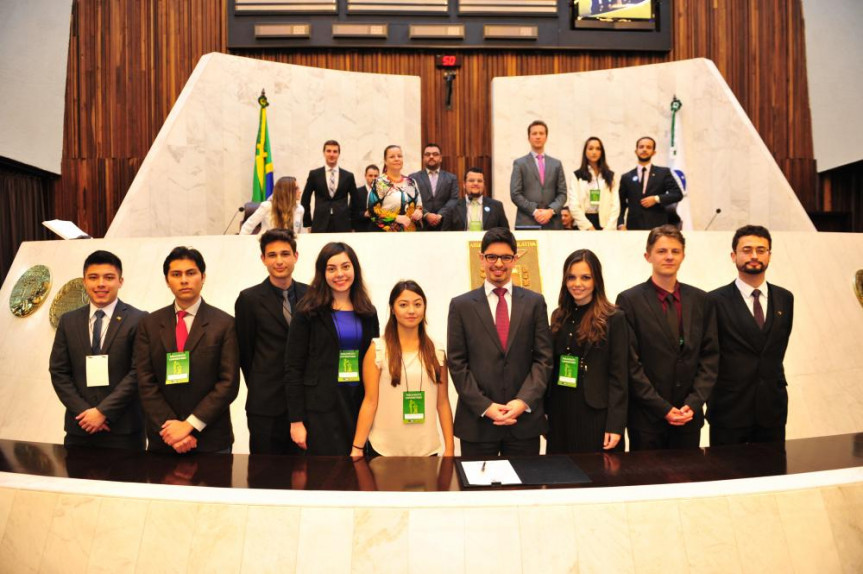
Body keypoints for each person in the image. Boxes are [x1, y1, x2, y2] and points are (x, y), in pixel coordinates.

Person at [447, 227, 553, 456]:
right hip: (478, 424)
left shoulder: (535, 303)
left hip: (524, 424)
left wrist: (522, 402)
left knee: (524, 491)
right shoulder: (461, 306)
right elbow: (457, 364)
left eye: (506, 257)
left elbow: (543, 360)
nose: (498, 264)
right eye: (492, 256)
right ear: (481, 258)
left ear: (515, 259)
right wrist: (486, 407)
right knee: (479, 490)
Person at [615, 225, 718, 450]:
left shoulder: (701, 300)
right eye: (662, 251)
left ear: (683, 256)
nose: (669, 256)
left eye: (675, 251)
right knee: (647, 482)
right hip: (647, 419)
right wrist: (662, 408)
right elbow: (630, 364)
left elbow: (710, 358)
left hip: (689, 417)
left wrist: (693, 402)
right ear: (648, 256)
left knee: (689, 483)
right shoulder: (629, 300)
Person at [135, 247, 240, 453]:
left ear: (203, 277)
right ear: (167, 280)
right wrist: (171, 429)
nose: (184, 280)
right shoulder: (149, 324)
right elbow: (145, 381)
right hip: (163, 437)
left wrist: (190, 425)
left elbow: (228, 383)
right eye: (176, 274)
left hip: (211, 438)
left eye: (190, 273)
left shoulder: (224, 324)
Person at [285, 242, 380, 455]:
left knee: (356, 474)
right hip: (320, 409)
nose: (340, 274)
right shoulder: (308, 311)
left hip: (357, 403)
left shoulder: (368, 312)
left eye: (345, 267)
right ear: (322, 273)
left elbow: (375, 362)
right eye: (331, 268)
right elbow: (293, 368)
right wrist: (296, 421)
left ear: (354, 268)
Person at [49, 250, 147, 450]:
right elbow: (59, 371)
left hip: (124, 430)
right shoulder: (68, 321)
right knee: (77, 481)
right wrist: (85, 412)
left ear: (120, 281)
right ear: (84, 281)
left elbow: (138, 372)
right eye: (93, 277)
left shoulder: (139, 319)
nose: (100, 284)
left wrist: (103, 412)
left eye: (109, 277)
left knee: (125, 482)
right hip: (80, 427)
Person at [708, 225, 794, 445]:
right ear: (733, 255)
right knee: (727, 477)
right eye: (747, 250)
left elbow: (777, 349)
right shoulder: (713, 301)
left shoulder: (785, 298)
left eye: (761, 250)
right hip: (729, 410)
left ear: (769, 255)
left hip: (772, 410)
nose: (754, 256)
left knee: (774, 475)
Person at [351, 280, 455, 457]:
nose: (412, 311)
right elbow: (370, 401)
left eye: (417, 304)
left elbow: (443, 403)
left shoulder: (437, 351)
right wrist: (357, 448)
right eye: (403, 305)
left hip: (426, 449)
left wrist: (450, 448)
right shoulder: (378, 349)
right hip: (384, 450)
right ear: (392, 309)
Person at [235, 229, 309, 454]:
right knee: (264, 476)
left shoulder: (312, 295)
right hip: (265, 406)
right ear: (263, 259)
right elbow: (246, 354)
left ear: (295, 256)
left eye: (285, 254)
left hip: (306, 403)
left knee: (306, 477)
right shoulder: (249, 299)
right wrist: (262, 386)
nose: (279, 260)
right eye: (272, 255)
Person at [546, 249, 628, 453]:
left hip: (596, 413)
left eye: (585, 277)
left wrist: (615, 425)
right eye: (571, 277)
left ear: (596, 280)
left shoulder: (613, 317)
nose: (577, 284)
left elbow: (619, 376)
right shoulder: (558, 315)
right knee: (562, 477)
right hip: (560, 410)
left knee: (597, 476)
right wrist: (545, 412)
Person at [510, 120, 567, 230]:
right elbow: (515, 194)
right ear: (529, 137)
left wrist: (550, 211)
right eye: (534, 133)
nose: (538, 136)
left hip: (553, 222)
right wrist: (534, 211)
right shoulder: (519, 163)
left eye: (541, 133)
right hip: (527, 221)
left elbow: (562, 194)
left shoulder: (556, 164)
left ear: (546, 137)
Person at [617, 136, 683, 230]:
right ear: (636, 151)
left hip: (658, 227)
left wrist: (656, 199)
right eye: (641, 147)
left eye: (648, 147)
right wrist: (620, 224)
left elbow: (677, 194)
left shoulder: (663, 173)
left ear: (654, 152)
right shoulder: (626, 177)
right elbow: (621, 204)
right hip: (633, 227)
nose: (644, 149)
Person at [300, 140, 358, 233]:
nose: (332, 154)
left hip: (343, 224)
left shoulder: (348, 176)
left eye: (335, 151)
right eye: (329, 151)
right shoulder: (314, 174)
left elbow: (356, 202)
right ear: (324, 153)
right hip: (319, 223)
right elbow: (305, 199)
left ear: (339, 154)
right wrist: (308, 223)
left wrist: (353, 224)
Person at [568, 136, 620, 231]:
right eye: (591, 148)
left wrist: (608, 228)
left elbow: (615, 205)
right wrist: (588, 227)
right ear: (585, 152)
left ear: (602, 152)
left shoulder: (610, 175)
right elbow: (573, 205)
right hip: (584, 223)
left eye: (598, 149)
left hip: (605, 224)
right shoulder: (577, 175)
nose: (594, 152)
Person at [367, 145, 424, 231]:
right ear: (385, 161)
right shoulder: (379, 183)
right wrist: (395, 218)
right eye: (392, 156)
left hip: (411, 234)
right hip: (387, 235)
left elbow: (418, 205)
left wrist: (419, 212)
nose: (397, 159)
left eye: (399, 156)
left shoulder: (410, 182)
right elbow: (372, 211)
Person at [409, 143, 459, 231]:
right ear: (423, 158)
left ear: (440, 158)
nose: (431, 157)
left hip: (444, 225)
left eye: (435, 154)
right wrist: (426, 214)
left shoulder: (451, 178)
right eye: (427, 154)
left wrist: (440, 215)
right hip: (420, 226)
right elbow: (411, 200)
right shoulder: (413, 178)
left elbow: (454, 199)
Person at [441, 167, 510, 231]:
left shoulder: (496, 206)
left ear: (484, 185)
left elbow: (505, 232)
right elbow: (445, 234)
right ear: (464, 185)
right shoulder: (452, 207)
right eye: (471, 180)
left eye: (479, 181)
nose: (476, 183)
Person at [240, 176, 305, 236]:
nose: (300, 191)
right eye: (296, 188)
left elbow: (300, 233)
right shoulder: (267, 206)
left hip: (289, 245)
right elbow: (247, 227)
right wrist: (243, 245)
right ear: (287, 191)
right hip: (267, 244)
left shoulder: (300, 209)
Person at [352, 164, 379, 232]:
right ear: (365, 176)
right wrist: (364, 214)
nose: (373, 178)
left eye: (376, 176)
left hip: (379, 230)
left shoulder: (383, 193)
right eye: (370, 175)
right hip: (362, 229)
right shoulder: (357, 192)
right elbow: (351, 213)